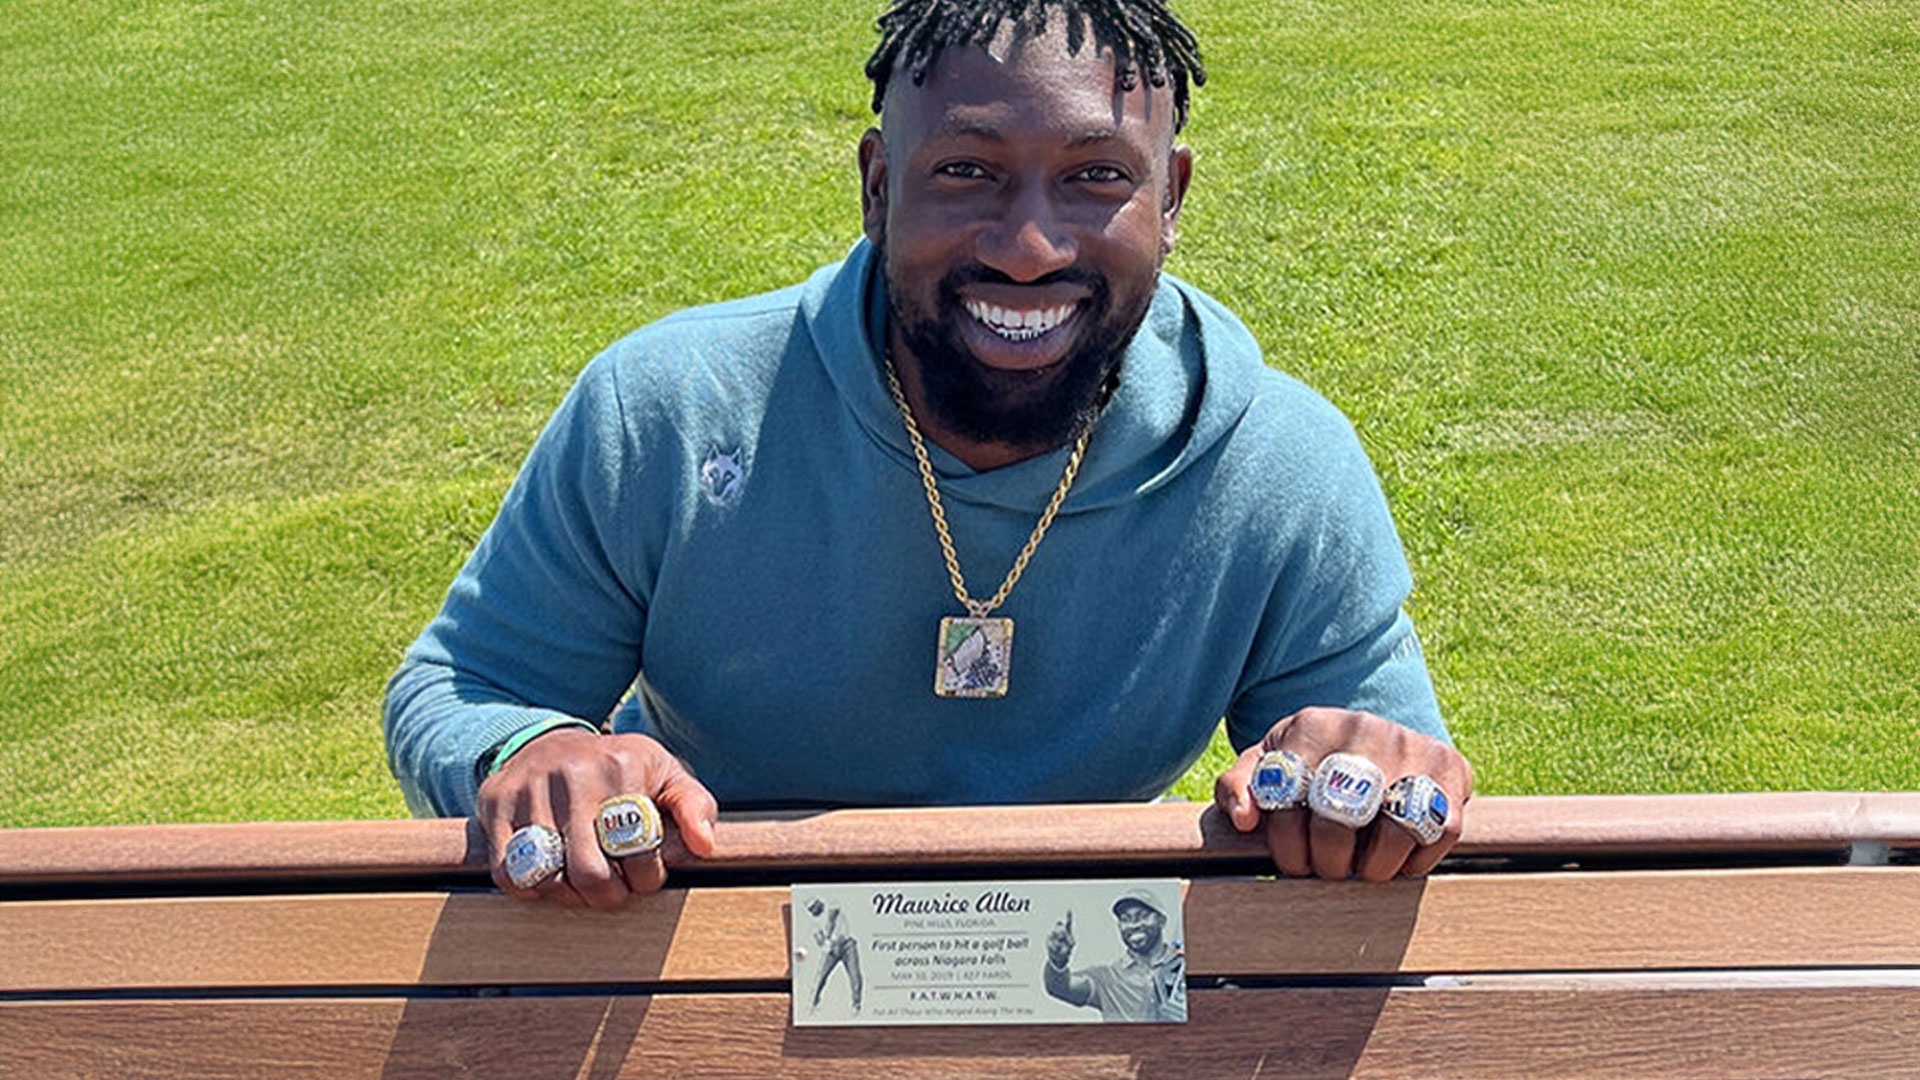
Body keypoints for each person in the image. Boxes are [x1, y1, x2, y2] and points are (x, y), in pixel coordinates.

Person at [383, 0, 1472, 911]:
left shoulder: (1277, 465)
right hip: (697, 952)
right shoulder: (672, 409)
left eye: (1098, 177)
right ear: (876, 186)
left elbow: (1377, 772)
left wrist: (1363, 771)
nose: (1029, 246)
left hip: (1085, 985)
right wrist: (533, 755)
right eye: (965, 170)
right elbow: (468, 684)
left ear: (1172, 197)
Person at [1042, 889, 1185, 1022]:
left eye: (1142, 916)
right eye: (1125, 919)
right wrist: (1058, 961)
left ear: (1162, 920)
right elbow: (1060, 988)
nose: (1134, 925)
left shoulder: (1182, 966)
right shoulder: (1106, 978)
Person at [805, 897, 864, 1015]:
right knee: (821, 976)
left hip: (847, 945)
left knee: (855, 975)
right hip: (832, 949)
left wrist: (826, 936)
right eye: (811, 909)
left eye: (815, 906)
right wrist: (823, 944)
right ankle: (813, 1003)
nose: (815, 910)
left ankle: (856, 1005)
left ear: (820, 903)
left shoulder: (832, 904)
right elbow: (819, 939)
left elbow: (832, 919)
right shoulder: (813, 923)